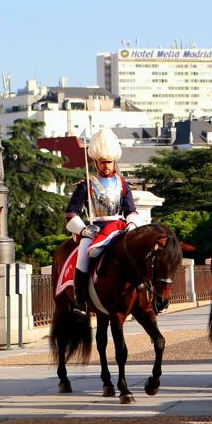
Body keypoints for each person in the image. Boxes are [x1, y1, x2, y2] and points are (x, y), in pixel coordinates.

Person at [64, 128, 141, 317]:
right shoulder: (86, 184)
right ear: (96, 162)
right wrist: (83, 230)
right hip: (95, 229)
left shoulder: (122, 184)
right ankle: (80, 300)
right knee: (83, 255)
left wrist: (132, 223)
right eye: (103, 162)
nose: (106, 166)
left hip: (119, 227)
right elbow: (70, 212)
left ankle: (145, 295)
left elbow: (130, 210)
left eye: (109, 162)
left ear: (114, 161)